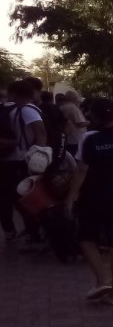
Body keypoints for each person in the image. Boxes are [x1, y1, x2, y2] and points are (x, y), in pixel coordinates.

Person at [64, 97, 113, 305]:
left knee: (86, 237)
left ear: (94, 115)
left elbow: (81, 170)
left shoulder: (89, 138)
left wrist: (70, 198)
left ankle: (102, 280)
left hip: (93, 195)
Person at [1, 79, 47, 243]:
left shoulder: (27, 110)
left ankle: (34, 233)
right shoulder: (22, 110)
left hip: (25, 159)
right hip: (23, 157)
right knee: (19, 197)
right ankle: (32, 231)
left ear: (17, 94)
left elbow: (40, 132)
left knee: (23, 198)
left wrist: (38, 157)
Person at [58, 91, 88, 156]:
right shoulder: (72, 107)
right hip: (76, 139)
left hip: (68, 139)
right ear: (74, 98)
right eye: (77, 97)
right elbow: (80, 123)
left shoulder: (62, 107)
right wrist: (90, 122)